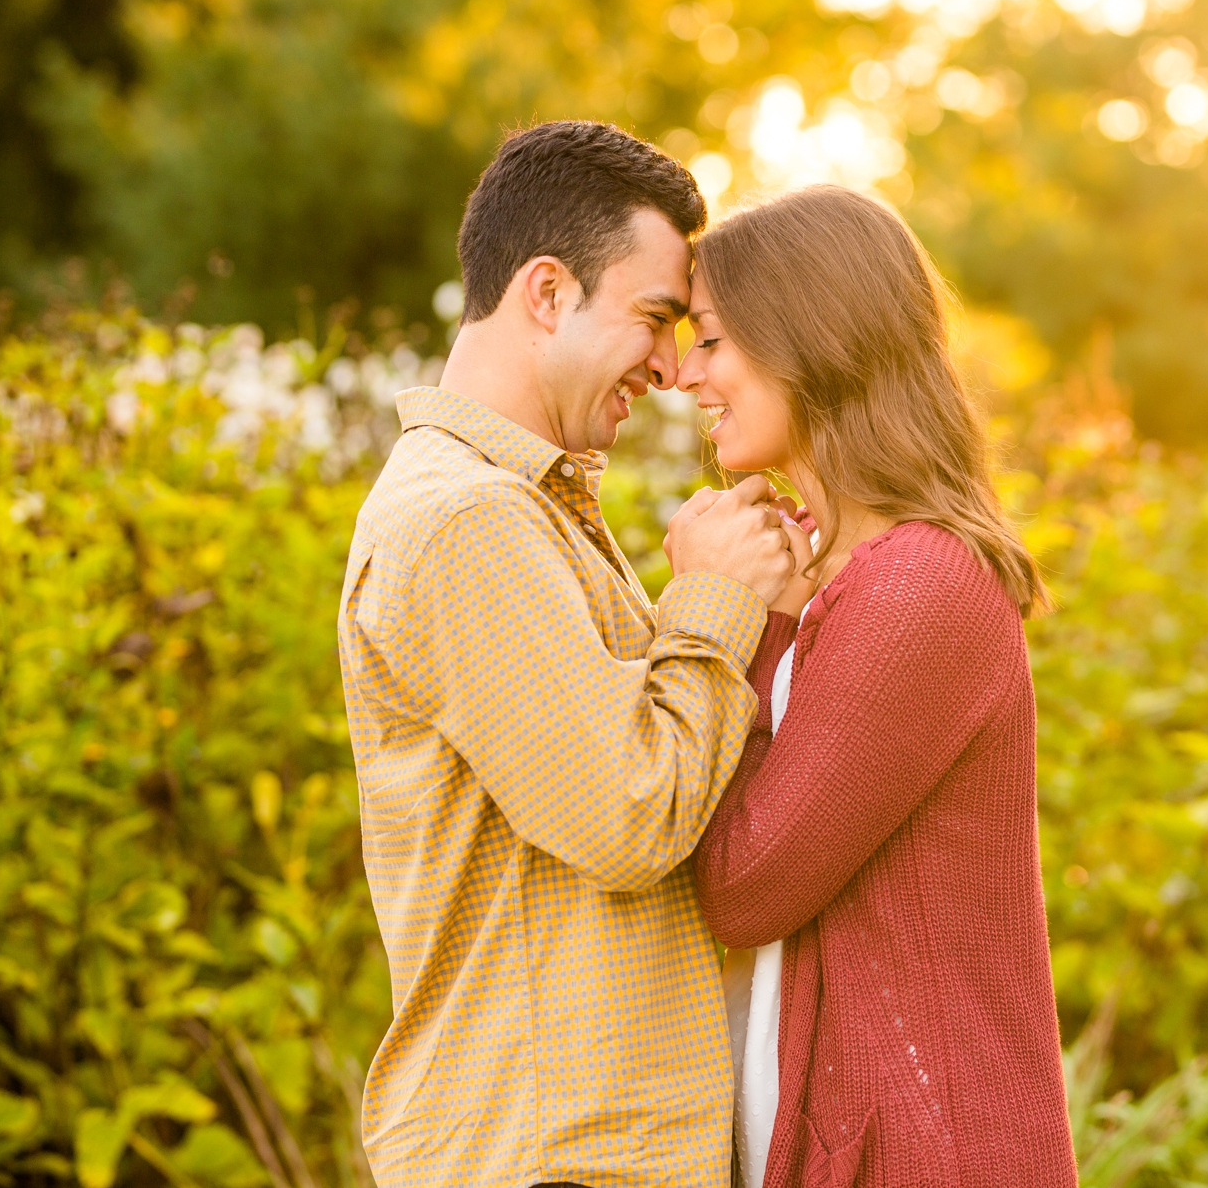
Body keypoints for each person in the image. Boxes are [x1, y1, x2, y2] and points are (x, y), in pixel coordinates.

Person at [337, 121, 806, 1188]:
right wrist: (712, 600)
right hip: (552, 1158)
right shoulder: (465, 521)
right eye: (654, 318)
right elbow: (629, 813)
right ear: (546, 293)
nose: (671, 364)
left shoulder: (533, 513)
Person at [681, 184, 1078, 1188]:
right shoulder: (840, 584)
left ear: (804, 337)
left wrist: (722, 604)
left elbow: (744, 882)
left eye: (713, 340)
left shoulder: (920, 584)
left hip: (932, 1154)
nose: (687, 375)